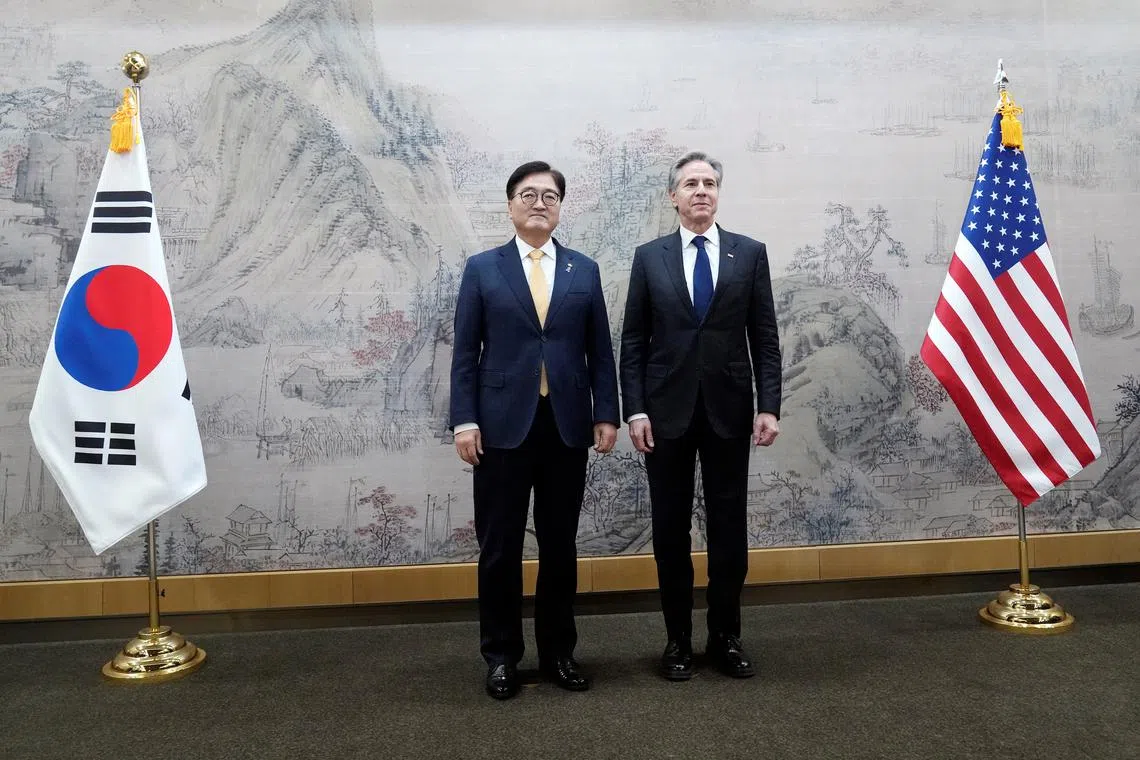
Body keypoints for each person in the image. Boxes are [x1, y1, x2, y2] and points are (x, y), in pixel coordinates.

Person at [449, 160, 620, 700]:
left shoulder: (583, 270)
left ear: (560, 207)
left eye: (549, 195)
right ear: (509, 205)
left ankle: (558, 654)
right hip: (500, 429)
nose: (539, 202)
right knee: (498, 548)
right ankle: (501, 657)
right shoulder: (483, 269)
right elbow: (464, 354)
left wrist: (606, 413)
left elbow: (601, 352)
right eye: (528, 194)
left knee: (560, 546)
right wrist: (465, 420)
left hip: (567, 427)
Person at [619, 150, 782, 681]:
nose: (701, 191)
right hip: (664, 416)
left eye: (710, 182)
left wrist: (769, 406)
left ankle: (726, 638)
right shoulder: (650, 257)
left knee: (729, 533)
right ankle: (677, 641)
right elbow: (634, 342)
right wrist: (635, 408)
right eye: (690, 183)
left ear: (719, 192)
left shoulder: (748, 254)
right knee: (669, 533)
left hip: (730, 414)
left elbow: (765, 338)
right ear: (674, 196)